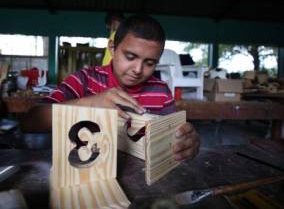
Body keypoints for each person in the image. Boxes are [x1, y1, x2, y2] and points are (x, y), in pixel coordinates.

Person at [24, 15, 200, 162]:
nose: (138, 70)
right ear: (113, 48)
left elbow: (172, 137)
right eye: (130, 56)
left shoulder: (161, 92)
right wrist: (90, 104)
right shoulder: (84, 80)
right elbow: (31, 121)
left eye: (149, 63)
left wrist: (186, 142)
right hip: (85, 175)